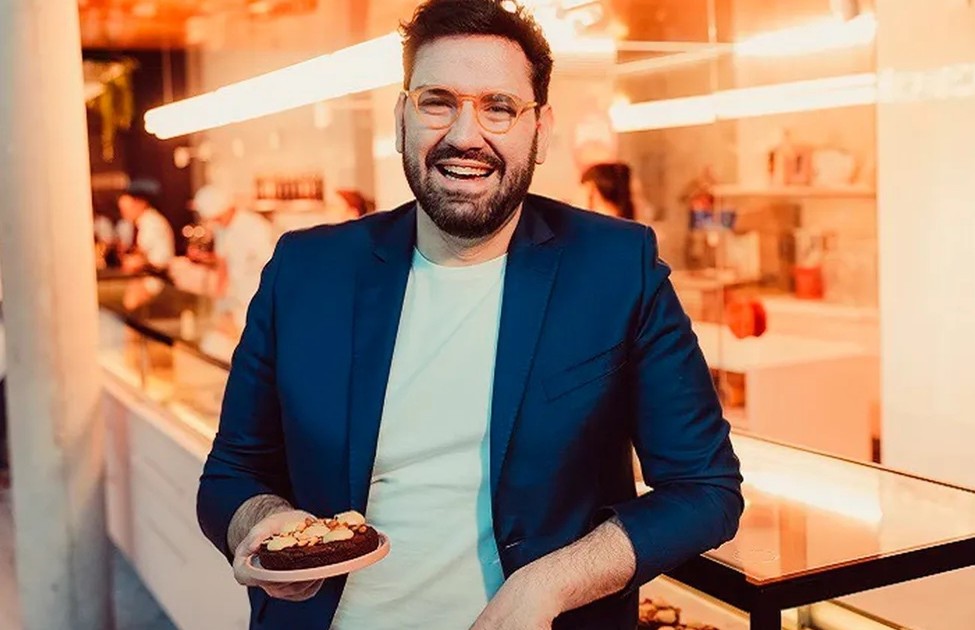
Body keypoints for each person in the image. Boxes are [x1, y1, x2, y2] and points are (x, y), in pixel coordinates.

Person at [196, 1, 743, 629]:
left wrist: (550, 584)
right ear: (400, 119)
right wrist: (265, 523)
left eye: (499, 107)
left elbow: (705, 489)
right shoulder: (306, 270)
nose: (464, 135)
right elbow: (232, 473)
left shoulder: (616, 268)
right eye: (437, 102)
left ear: (540, 131)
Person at [182, 185, 278, 332]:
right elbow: (224, 262)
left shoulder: (254, 227)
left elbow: (272, 265)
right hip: (235, 299)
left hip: (256, 300)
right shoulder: (222, 228)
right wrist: (219, 299)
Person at [116, 178, 175, 273]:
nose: (124, 214)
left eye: (127, 209)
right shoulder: (139, 222)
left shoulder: (151, 222)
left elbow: (140, 253)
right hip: (149, 270)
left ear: (141, 204)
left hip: (158, 273)